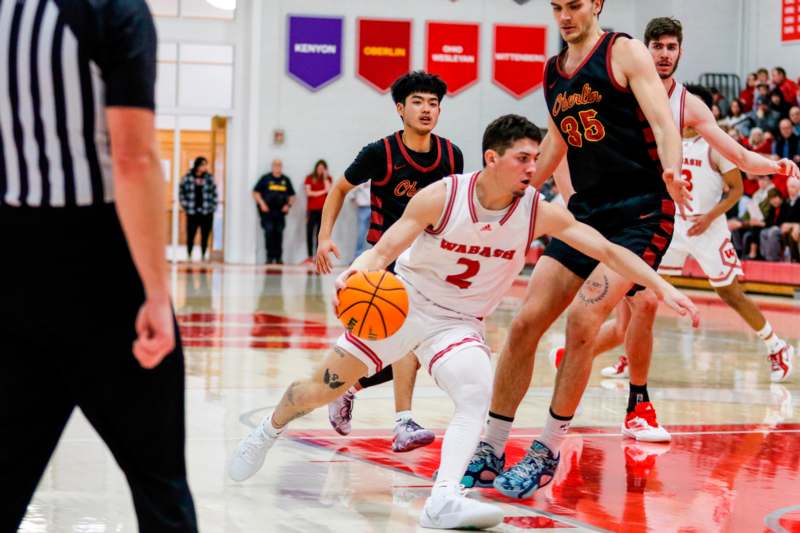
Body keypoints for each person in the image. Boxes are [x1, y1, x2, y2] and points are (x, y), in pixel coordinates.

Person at [226, 115, 698, 530]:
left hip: (458, 323)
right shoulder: (443, 197)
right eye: (523, 158)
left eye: (536, 158)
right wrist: (359, 269)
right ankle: (267, 430)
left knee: (475, 393)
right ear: (492, 158)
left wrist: (664, 287)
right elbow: (386, 249)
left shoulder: (537, 210)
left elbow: (609, 250)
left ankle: (444, 498)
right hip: (403, 306)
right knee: (318, 389)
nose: (534, 168)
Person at [463, 0, 691, 500]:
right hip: (585, 214)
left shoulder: (625, 52)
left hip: (641, 212)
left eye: (574, 5)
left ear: (597, 5)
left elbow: (664, 121)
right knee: (525, 322)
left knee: (583, 321)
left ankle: (547, 449)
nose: (564, 15)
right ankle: (492, 445)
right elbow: (555, 145)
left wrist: (672, 168)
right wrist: (511, 194)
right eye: (557, 7)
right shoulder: (552, 72)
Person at [0, 1, 198, 531]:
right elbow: (132, 158)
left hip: (11, 263)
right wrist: (156, 292)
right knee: (159, 484)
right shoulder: (113, 10)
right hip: (100, 265)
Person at [556, 19, 798, 385]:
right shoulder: (618, 91)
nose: (664, 54)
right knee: (633, 307)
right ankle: (620, 357)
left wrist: (777, 165)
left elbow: (742, 158)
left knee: (711, 295)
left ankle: (773, 344)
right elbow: (570, 142)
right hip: (644, 215)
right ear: (644, 49)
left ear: (680, 51)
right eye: (658, 46)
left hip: (687, 221)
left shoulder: (690, 105)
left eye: (671, 47)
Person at [315, 71, 464, 452]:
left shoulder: (451, 155)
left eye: (433, 103)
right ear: (400, 109)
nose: (427, 109)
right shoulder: (379, 152)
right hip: (385, 262)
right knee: (404, 345)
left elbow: (455, 208)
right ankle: (403, 422)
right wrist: (324, 236)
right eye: (418, 102)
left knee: (408, 347)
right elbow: (340, 188)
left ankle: (351, 387)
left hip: (432, 262)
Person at [253, 159, 295, 264]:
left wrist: (288, 205)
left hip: (280, 213)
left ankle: (278, 257)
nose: (277, 167)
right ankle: (269, 257)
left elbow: (292, 195)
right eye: (275, 165)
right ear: (272, 166)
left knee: (279, 234)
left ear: (281, 167)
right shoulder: (265, 178)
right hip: (267, 212)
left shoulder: (286, 180)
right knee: (269, 232)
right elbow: (255, 192)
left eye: (279, 165)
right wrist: (262, 204)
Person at [179, 156, 218, 260]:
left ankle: (203, 254)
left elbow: (214, 194)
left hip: (207, 212)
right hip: (192, 212)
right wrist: (185, 205)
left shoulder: (209, 178)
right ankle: (189, 254)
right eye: (203, 164)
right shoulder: (187, 177)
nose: (205, 167)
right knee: (191, 234)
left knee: (205, 234)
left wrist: (213, 207)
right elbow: (181, 193)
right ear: (197, 165)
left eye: (206, 165)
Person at [304, 159, 332, 262]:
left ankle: (317, 256)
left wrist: (325, 178)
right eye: (319, 168)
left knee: (319, 234)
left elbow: (329, 191)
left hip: (323, 211)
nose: (320, 170)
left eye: (323, 168)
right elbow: (309, 193)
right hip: (311, 210)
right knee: (309, 232)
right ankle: (310, 256)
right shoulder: (309, 178)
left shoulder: (328, 178)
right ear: (316, 168)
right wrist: (322, 192)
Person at [349, 181, 372, 260]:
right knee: (361, 233)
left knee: (378, 232)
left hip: (375, 207)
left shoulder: (375, 176)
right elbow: (351, 193)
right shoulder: (360, 178)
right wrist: (356, 202)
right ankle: (357, 256)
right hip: (363, 208)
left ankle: (377, 257)